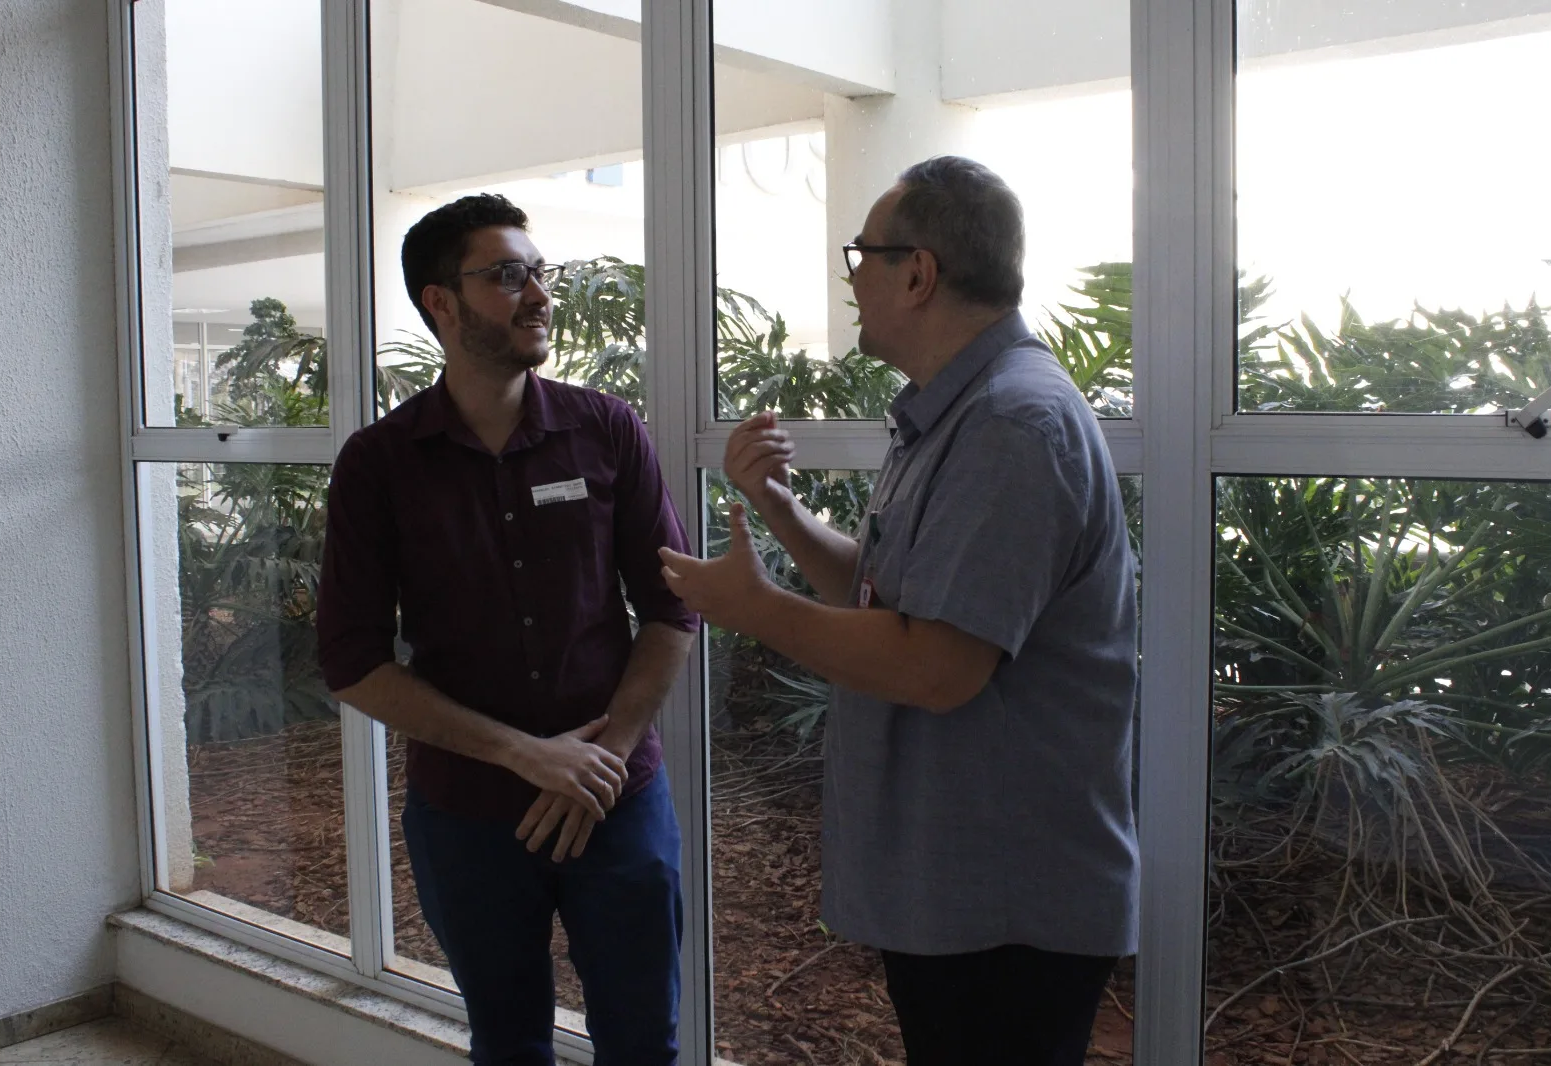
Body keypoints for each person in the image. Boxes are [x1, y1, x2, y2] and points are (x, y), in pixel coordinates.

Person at [660, 156, 1138, 1065]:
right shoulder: (954, 414)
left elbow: (935, 666)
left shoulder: (1009, 426)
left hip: (1008, 904)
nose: (850, 279)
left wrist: (755, 608)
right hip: (964, 886)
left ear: (917, 273)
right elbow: (894, 602)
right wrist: (782, 513)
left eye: (862, 256)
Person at [316, 193, 697, 1066]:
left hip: (617, 802)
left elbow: (673, 603)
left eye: (540, 272)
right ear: (440, 301)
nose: (538, 295)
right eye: (507, 275)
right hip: (470, 817)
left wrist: (600, 758)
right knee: (510, 1041)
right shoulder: (380, 464)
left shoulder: (605, 430)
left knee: (643, 1042)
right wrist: (527, 756)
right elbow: (352, 660)